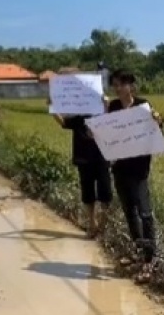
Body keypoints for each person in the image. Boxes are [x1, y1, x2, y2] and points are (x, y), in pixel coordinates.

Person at [108, 69, 163, 284]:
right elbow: (107, 132)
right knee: (130, 212)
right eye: (115, 85)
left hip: (139, 169)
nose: (118, 88)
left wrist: (158, 123)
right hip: (120, 168)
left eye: (121, 84)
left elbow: (157, 134)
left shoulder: (143, 106)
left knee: (145, 213)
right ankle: (139, 252)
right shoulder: (112, 107)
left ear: (131, 85)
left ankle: (150, 261)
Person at [49, 96, 113, 238]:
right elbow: (64, 123)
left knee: (106, 192)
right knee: (88, 192)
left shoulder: (103, 111)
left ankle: (103, 225)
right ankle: (92, 224)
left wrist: (107, 106)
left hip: (102, 157)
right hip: (83, 158)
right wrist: (52, 107)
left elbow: (113, 122)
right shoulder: (78, 116)